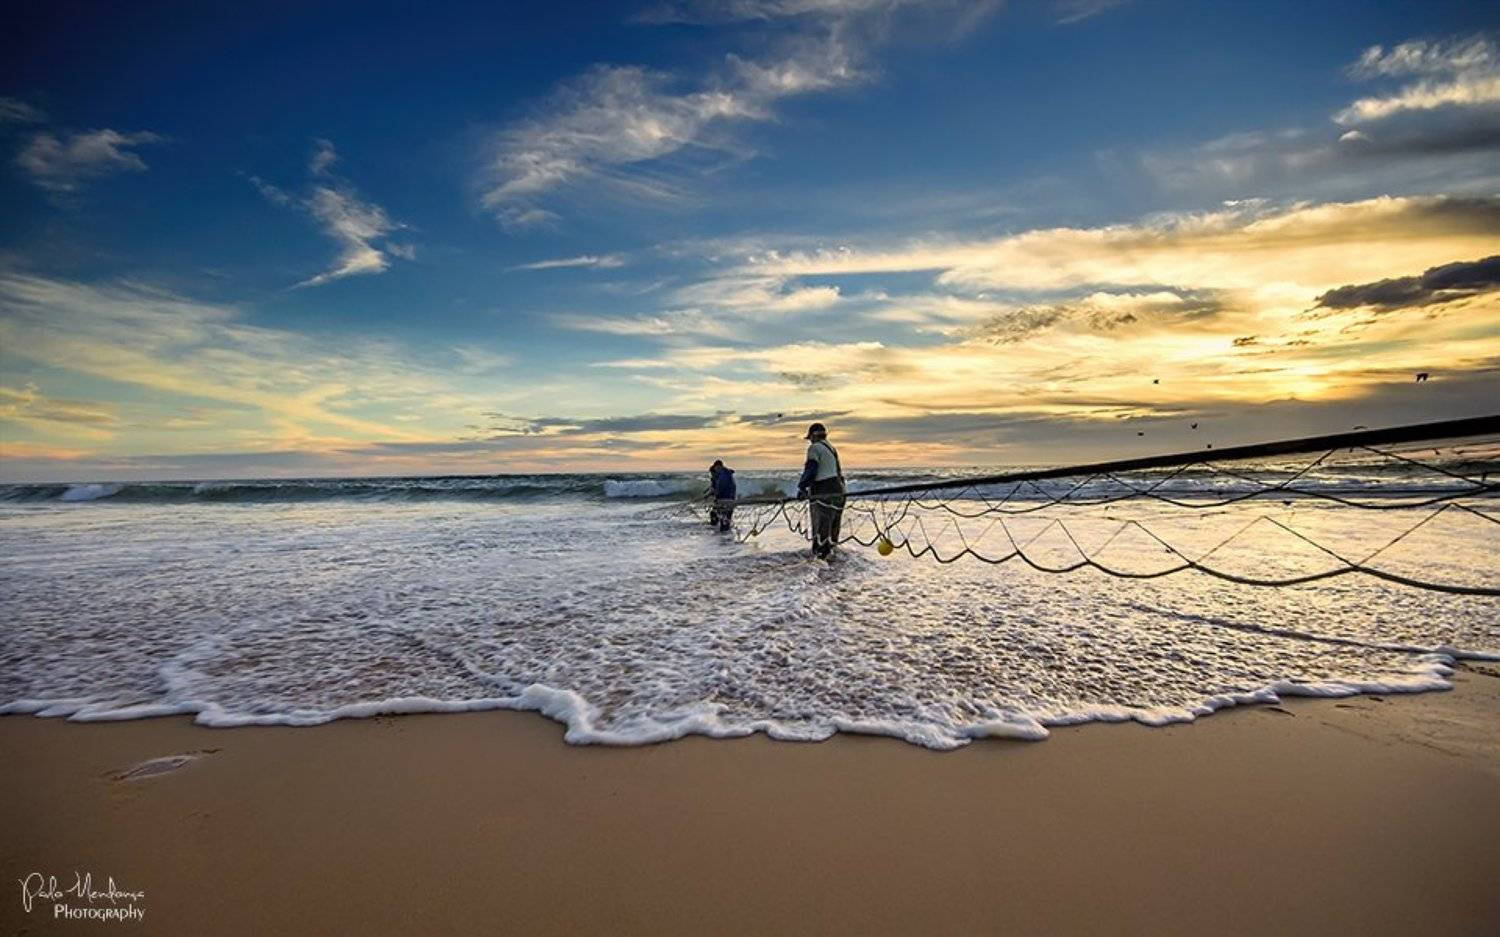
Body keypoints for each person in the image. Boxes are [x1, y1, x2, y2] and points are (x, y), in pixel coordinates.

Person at [796, 423, 845, 559]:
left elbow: (811, 469)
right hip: (839, 490)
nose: (810, 441)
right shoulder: (831, 448)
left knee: (821, 527)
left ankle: (819, 560)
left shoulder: (814, 448)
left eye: (810, 438)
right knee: (833, 527)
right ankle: (833, 560)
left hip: (823, 490)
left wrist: (802, 487)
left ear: (812, 436)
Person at [710, 459, 736, 532]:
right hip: (730, 499)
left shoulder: (723, 475)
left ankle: (724, 540)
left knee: (724, 522)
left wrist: (715, 493)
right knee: (726, 520)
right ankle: (726, 539)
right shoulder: (727, 474)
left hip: (724, 500)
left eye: (715, 468)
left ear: (718, 466)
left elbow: (721, 488)